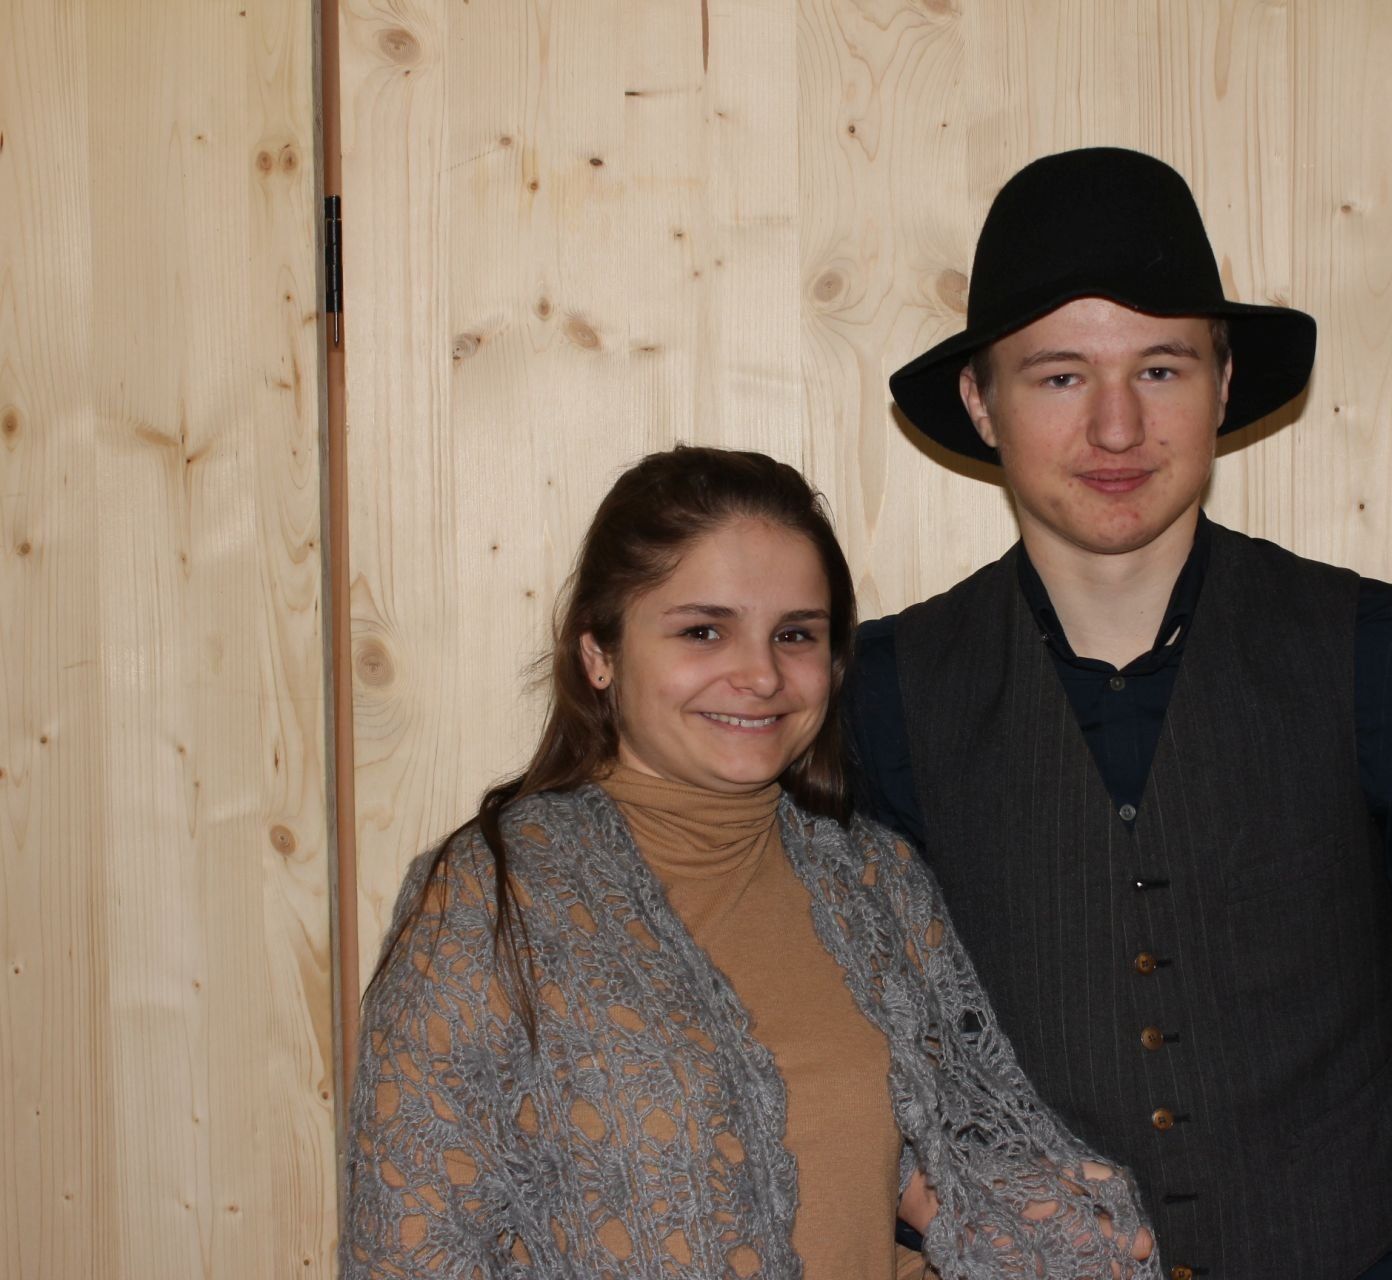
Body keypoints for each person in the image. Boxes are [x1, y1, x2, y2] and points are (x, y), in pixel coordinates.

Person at [850, 148, 1392, 1279]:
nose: (1116, 428)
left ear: (1223, 380)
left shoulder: (1381, 655)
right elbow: (842, 1059)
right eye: (1059, 377)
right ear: (979, 400)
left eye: (1160, 368)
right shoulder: (879, 694)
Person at [340, 446, 1157, 1279]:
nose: (761, 675)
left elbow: (918, 1191)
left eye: (795, 635)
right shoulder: (488, 900)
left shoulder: (873, 880)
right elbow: (411, 1252)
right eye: (704, 631)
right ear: (599, 653)